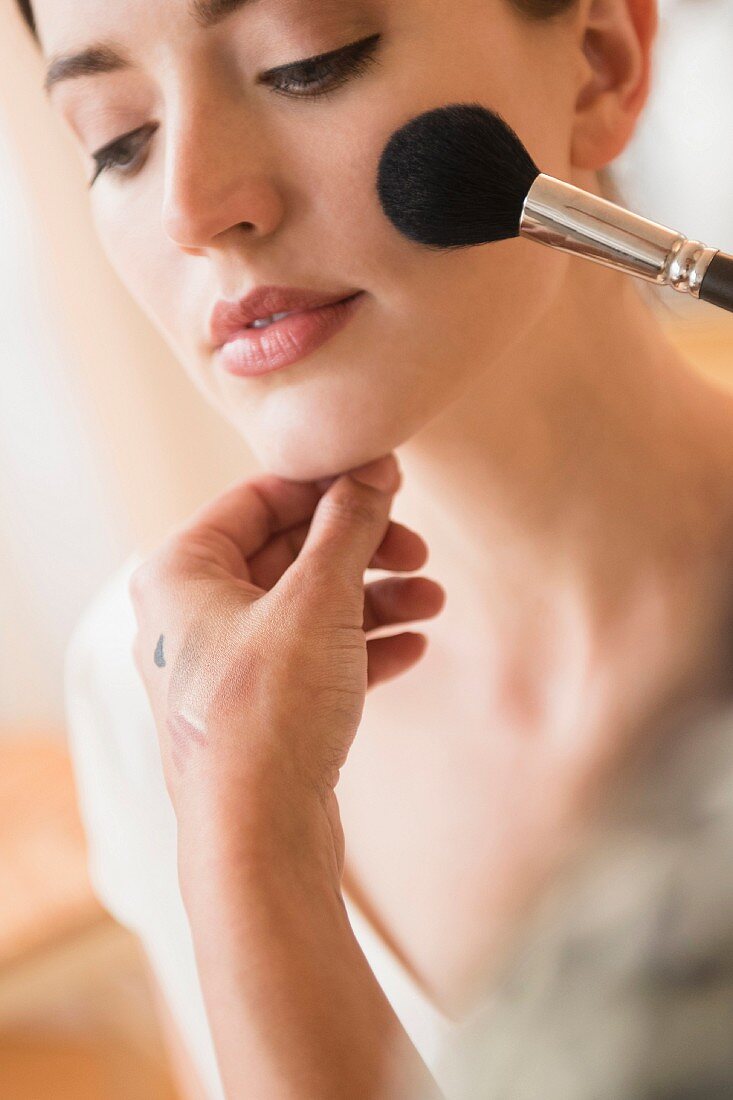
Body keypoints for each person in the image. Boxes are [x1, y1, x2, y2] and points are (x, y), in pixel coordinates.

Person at [16, 0, 733, 1095]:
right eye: (117, 137)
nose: (193, 210)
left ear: (598, 62)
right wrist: (242, 824)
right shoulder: (152, 677)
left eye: (307, 62)